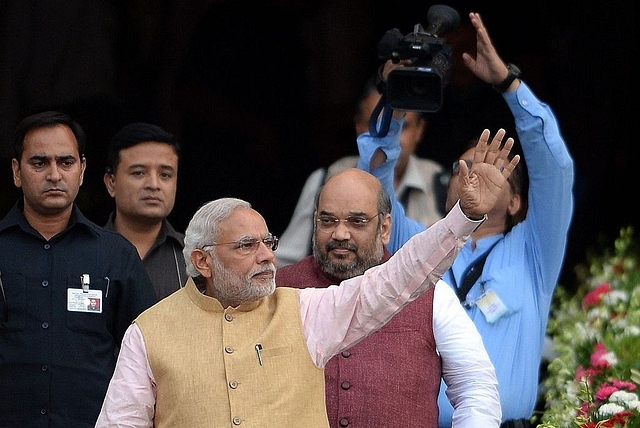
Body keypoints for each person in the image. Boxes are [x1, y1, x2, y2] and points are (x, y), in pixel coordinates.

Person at [94, 129, 520, 427]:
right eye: (246, 246)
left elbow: (397, 279)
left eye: (268, 241)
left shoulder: (301, 308)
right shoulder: (149, 331)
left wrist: (464, 217)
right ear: (203, 262)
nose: (266, 256)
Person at [357, 12, 575, 427]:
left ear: (515, 204)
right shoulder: (417, 244)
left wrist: (509, 84)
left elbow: (555, 169)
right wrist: (395, 105)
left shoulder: (535, 252)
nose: (476, 174)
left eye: (495, 168)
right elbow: (374, 192)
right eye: (466, 165)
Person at [275, 167, 501, 427]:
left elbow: (475, 388)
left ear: (385, 228)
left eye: (356, 221)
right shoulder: (280, 289)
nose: (340, 234)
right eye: (328, 221)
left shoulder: (431, 294)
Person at [0, 111, 158, 427]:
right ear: (17, 171)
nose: (55, 174)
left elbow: (151, 352)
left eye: (66, 162)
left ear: (82, 170)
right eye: (39, 163)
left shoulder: (116, 255)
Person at [276, 76, 447, 267]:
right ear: (358, 126)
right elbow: (284, 263)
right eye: (377, 126)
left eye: (402, 126)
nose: (389, 138)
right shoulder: (325, 179)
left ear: (420, 130)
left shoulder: (442, 183)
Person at [103, 122, 187, 300]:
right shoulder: (84, 253)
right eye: (139, 173)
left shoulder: (195, 258)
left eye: (165, 175)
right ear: (111, 183)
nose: (154, 185)